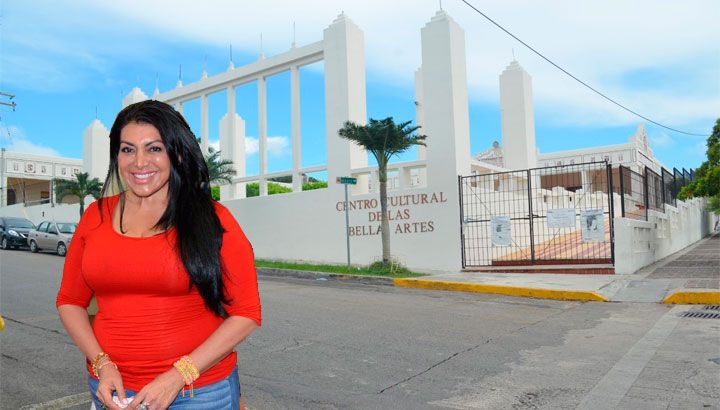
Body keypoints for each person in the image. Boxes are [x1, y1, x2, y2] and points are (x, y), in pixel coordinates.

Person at [56, 100, 261, 410]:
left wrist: (178, 376)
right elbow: (70, 301)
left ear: (176, 154)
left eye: (154, 148)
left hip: (197, 393)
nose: (139, 162)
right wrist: (102, 363)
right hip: (113, 390)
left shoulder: (213, 219)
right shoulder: (95, 216)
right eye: (128, 149)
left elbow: (246, 313)